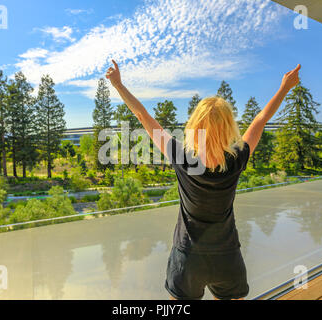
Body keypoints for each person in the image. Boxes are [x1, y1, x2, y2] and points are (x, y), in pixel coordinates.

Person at [106, 59, 301, 300]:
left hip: (187, 258)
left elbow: (141, 115)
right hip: (227, 256)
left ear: (195, 124)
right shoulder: (237, 159)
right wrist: (284, 87)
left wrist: (118, 85)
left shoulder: (181, 155)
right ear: (229, 127)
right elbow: (260, 119)